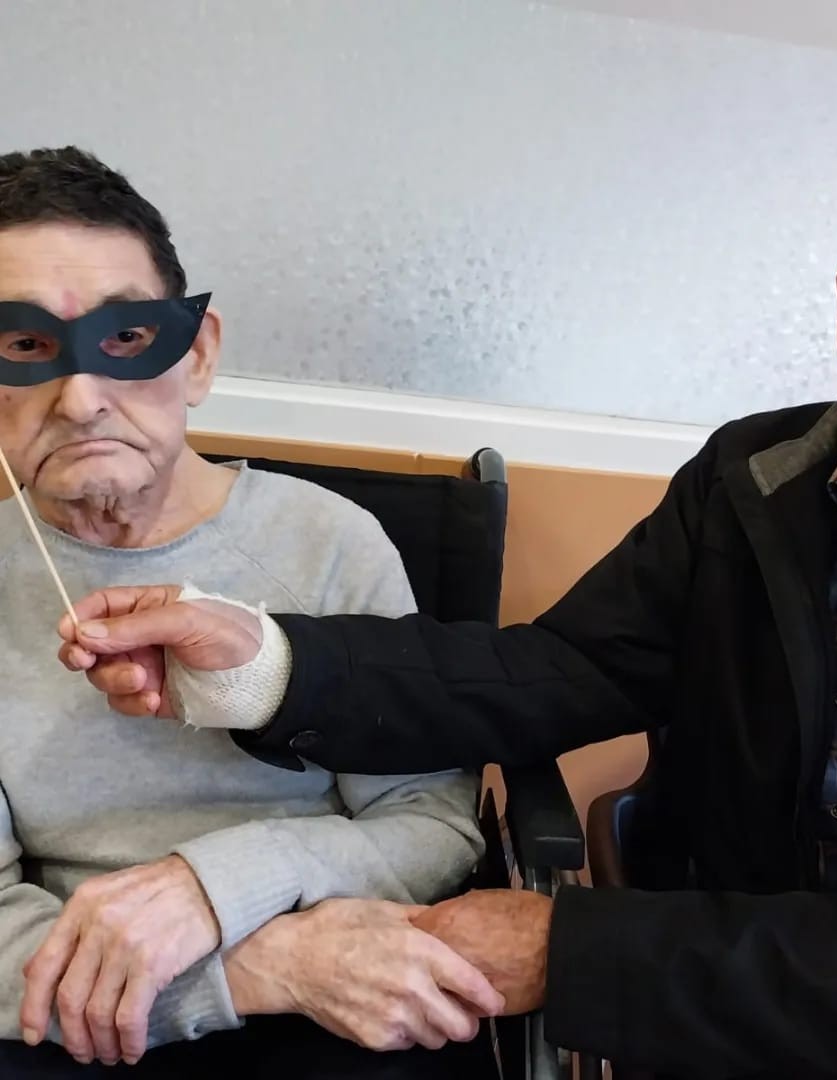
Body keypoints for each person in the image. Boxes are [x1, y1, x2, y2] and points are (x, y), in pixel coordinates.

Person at [60, 104, 837, 1078]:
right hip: (708, 1029)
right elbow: (561, 670)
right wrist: (263, 667)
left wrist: (568, 949)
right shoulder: (754, 484)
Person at [0, 147, 502, 1078]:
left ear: (196, 355)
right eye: (25, 346)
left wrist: (216, 888)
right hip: (77, 1012)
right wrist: (255, 970)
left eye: (126, 337)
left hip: (347, 984)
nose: (80, 399)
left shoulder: (331, 543)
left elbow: (430, 826)